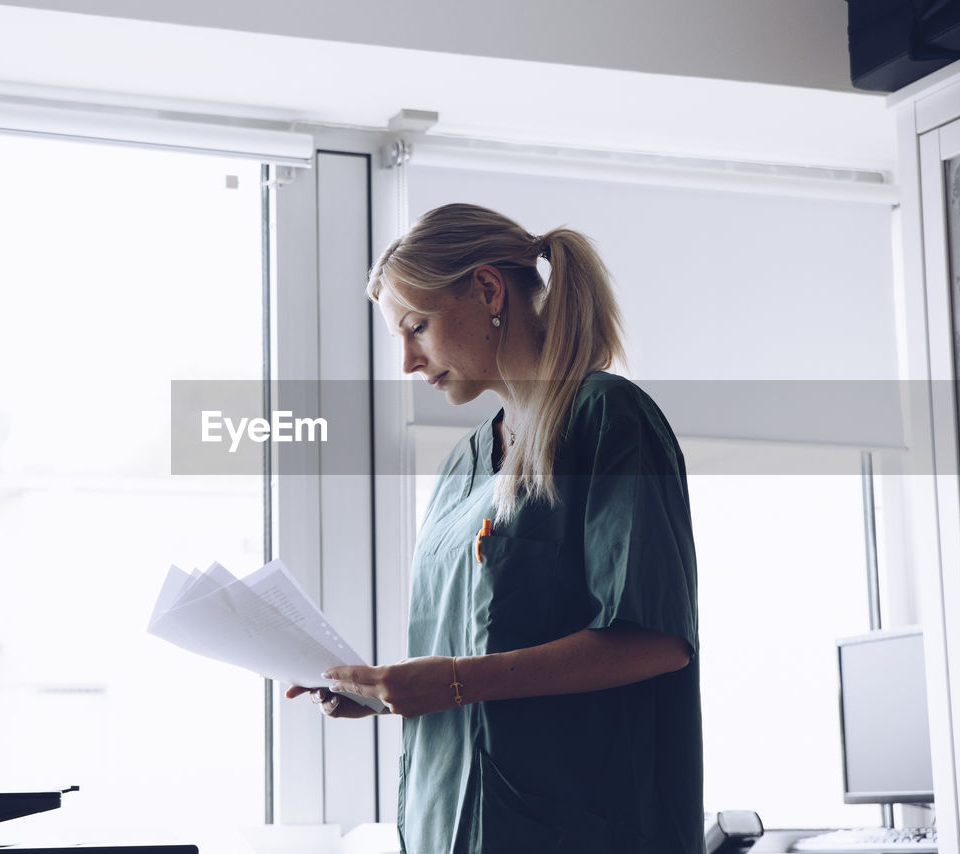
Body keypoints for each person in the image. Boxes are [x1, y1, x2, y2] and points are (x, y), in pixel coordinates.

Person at [286, 203, 702, 854]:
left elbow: (653, 640)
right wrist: (384, 692)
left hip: (575, 830)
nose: (408, 362)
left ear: (486, 290)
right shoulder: (461, 466)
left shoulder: (607, 420)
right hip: (447, 823)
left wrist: (452, 680)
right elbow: (479, 648)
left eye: (416, 327)